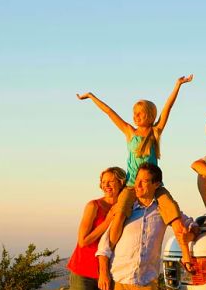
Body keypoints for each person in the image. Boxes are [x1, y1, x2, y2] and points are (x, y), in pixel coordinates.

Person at [77, 75, 194, 261]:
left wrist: (178, 85)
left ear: (149, 114)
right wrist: (91, 97)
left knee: (172, 211)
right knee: (119, 216)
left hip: (154, 185)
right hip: (132, 185)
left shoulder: (155, 132)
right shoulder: (129, 132)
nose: (135, 117)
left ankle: (186, 253)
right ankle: (110, 254)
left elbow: (168, 108)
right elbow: (109, 112)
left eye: (140, 113)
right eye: (134, 113)